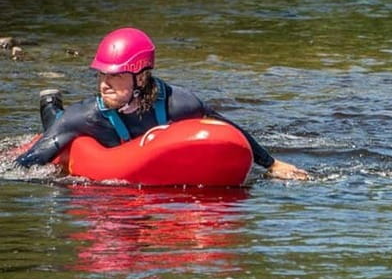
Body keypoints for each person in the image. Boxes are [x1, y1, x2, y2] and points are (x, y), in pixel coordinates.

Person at [15, 27, 308, 180]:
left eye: (115, 76)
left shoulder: (179, 104)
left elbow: (230, 129)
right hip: (77, 130)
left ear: (141, 78)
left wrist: (271, 164)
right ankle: (49, 102)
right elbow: (25, 164)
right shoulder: (87, 117)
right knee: (56, 122)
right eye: (101, 74)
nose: (104, 83)